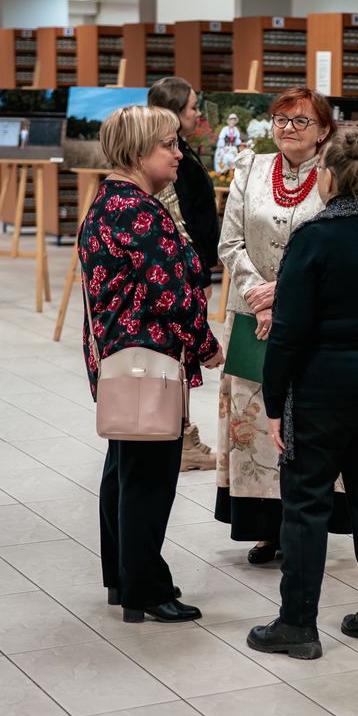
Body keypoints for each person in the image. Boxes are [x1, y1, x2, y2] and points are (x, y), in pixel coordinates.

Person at [246, 130, 358, 660]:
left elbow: (289, 332)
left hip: (324, 391)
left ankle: (298, 625)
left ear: (327, 176)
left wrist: (276, 403)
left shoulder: (312, 239)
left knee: (305, 505)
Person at [79, 104, 223, 623]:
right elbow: (172, 292)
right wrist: (205, 342)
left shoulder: (110, 200)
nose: (178, 153)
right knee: (147, 478)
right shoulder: (136, 210)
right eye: (168, 144)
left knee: (124, 468)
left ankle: (124, 576)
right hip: (147, 362)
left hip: (122, 359)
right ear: (139, 151)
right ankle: (144, 588)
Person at [216, 87, 333, 565]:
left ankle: (305, 525)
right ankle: (266, 528)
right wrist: (258, 297)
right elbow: (230, 241)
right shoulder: (251, 166)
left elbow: (336, 245)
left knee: (304, 421)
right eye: (281, 119)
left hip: (313, 319)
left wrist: (282, 293)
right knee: (254, 421)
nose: (288, 128)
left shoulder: (334, 175)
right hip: (251, 316)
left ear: (323, 130)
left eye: (301, 121)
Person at [148, 77, 221, 472]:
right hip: (184, 272)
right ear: (175, 112)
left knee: (181, 357)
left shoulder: (178, 153)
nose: (197, 113)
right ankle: (179, 436)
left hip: (193, 267)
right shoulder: (170, 163)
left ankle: (180, 432)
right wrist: (199, 274)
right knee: (179, 354)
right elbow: (181, 222)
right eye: (192, 107)